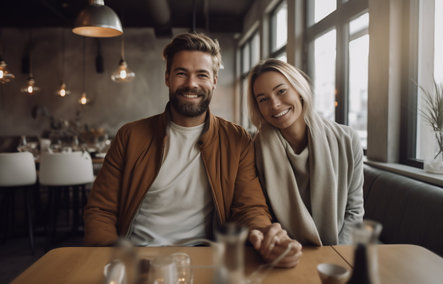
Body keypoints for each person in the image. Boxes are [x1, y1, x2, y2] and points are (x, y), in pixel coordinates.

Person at [84, 33, 302, 267]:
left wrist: (264, 233)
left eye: (202, 75)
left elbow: (249, 207)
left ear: (214, 81)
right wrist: (110, 257)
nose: (191, 84)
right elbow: (100, 210)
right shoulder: (130, 136)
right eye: (181, 73)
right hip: (137, 257)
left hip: (201, 258)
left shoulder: (237, 139)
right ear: (167, 77)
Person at [247, 58, 364, 245]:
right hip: (282, 250)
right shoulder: (253, 149)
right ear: (258, 108)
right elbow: (259, 211)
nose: (275, 104)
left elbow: (354, 211)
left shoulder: (347, 140)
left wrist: (334, 255)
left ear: (299, 89)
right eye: (263, 99)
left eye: (281, 91)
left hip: (336, 250)